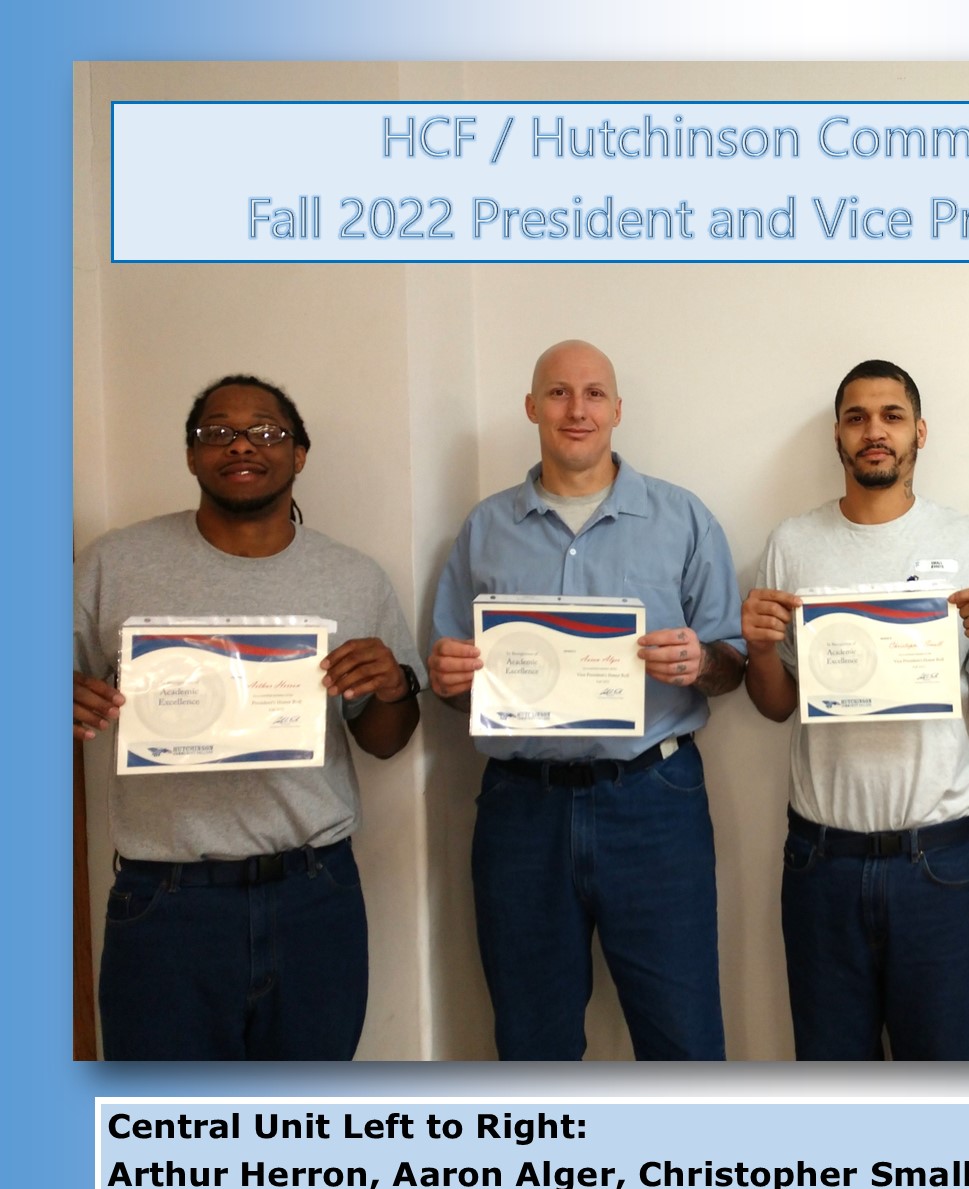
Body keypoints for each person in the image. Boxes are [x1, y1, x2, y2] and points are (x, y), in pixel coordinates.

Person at [73, 374, 423, 1060]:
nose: (241, 445)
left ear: (299, 454)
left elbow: (386, 741)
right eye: (218, 432)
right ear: (191, 454)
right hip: (164, 903)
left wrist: (391, 689)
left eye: (265, 431)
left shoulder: (354, 577)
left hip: (314, 896)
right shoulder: (114, 563)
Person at [428, 339, 745, 1061]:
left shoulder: (683, 518)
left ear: (618, 409)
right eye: (560, 393)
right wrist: (449, 681)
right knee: (531, 1042)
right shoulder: (485, 529)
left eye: (594, 393)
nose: (578, 410)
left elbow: (733, 664)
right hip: (521, 809)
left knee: (684, 1037)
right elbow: (454, 684)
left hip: (654, 802)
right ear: (532, 406)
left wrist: (701, 661)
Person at [741, 359, 969, 1060]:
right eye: (857, 417)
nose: (875, 431)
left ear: (919, 432)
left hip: (941, 861)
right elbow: (775, 707)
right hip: (822, 861)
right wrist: (758, 650)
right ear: (838, 436)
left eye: (892, 416)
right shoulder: (790, 544)